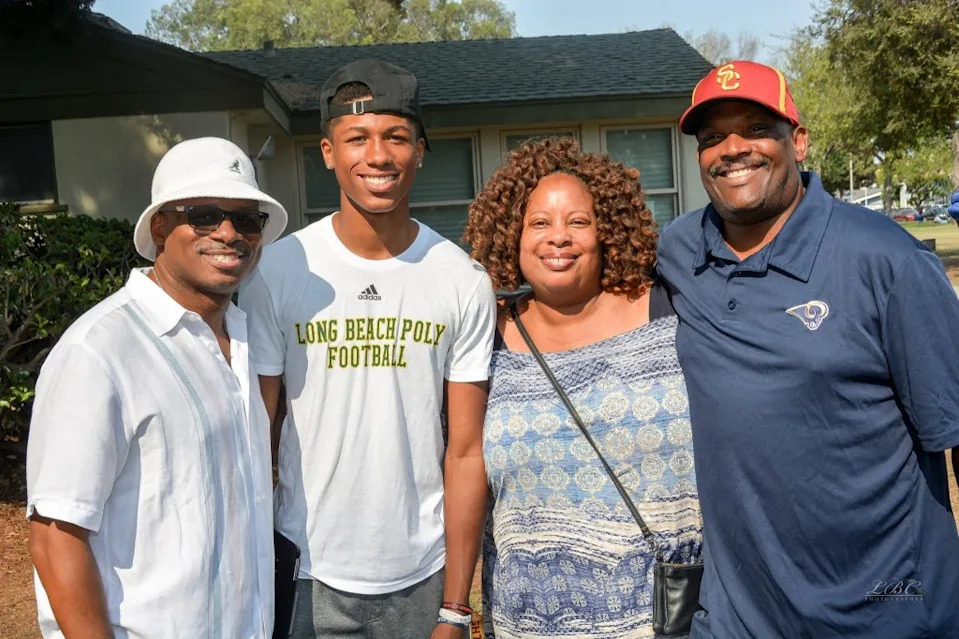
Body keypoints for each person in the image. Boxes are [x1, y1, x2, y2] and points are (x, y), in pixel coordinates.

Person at [657, 60, 959, 638]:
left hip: (885, 613)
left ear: (797, 141)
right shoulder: (680, 251)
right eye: (713, 137)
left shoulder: (887, 261)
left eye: (755, 129)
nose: (732, 149)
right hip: (738, 619)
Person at [238, 59, 496, 638]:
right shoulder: (277, 271)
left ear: (420, 151)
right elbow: (257, 437)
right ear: (328, 152)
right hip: (305, 568)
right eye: (357, 138)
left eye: (396, 137)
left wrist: (456, 607)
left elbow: (465, 452)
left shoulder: (461, 279)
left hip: (422, 574)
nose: (377, 156)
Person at [26, 137, 287, 638]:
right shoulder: (100, 350)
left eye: (247, 219)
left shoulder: (244, 339)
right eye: (205, 216)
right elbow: (56, 538)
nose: (229, 233)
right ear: (160, 227)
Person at [464, 137, 703, 639]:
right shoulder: (485, 337)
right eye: (539, 223)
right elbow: (460, 463)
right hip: (529, 623)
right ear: (511, 235)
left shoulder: (670, 310)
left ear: (607, 232)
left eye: (578, 221)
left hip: (668, 619)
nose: (559, 237)